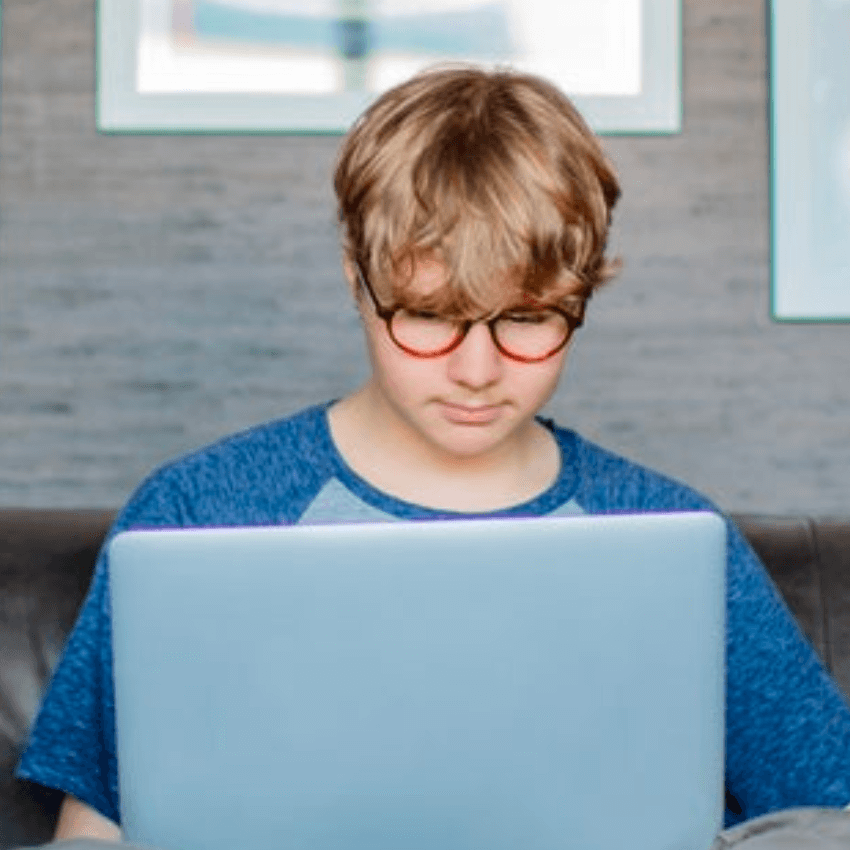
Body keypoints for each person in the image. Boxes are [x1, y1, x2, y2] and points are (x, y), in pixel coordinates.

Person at [15, 65, 850, 846]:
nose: (477, 372)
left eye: (527, 318)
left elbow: (829, 815)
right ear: (357, 279)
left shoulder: (678, 544)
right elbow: (93, 835)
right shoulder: (193, 515)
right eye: (428, 314)